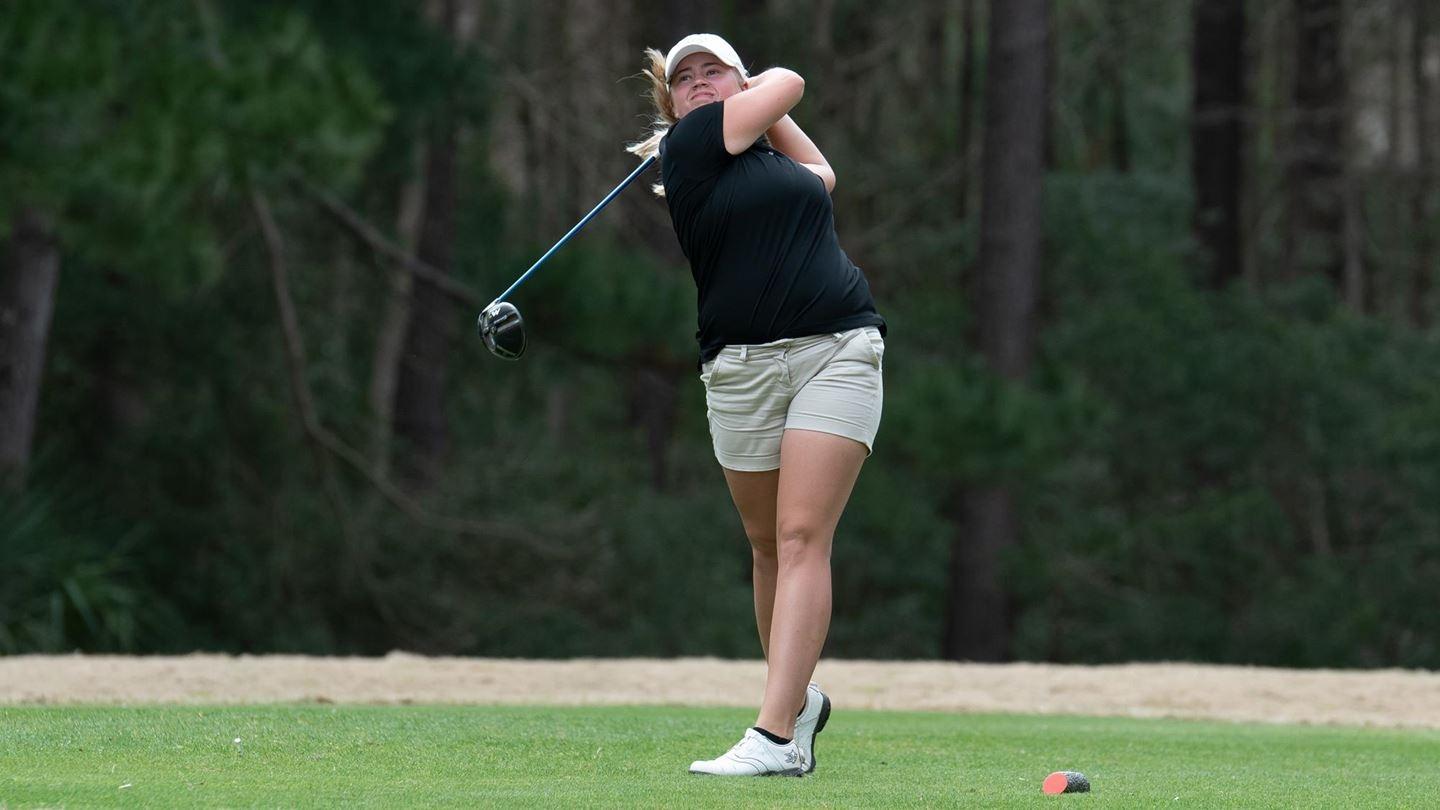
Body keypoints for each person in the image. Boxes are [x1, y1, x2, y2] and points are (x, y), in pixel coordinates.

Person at [629, 34, 886, 777]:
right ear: (671, 104)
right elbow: (791, 79)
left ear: (740, 81)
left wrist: (758, 102)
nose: (701, 85)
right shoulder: (692, 144)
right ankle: (798, 703)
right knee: (767, 545)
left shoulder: (762, 155)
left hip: (836, 346)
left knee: (801, 535)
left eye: (717, 72)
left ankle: (773, 737)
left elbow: (821, 171)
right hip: (739, 368)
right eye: (686, 79)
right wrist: (746, 95)